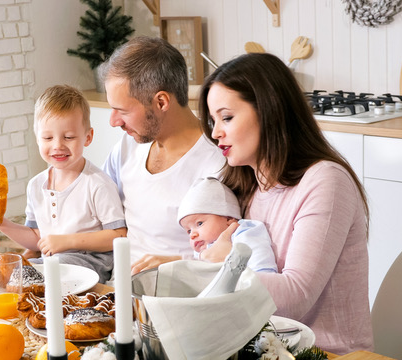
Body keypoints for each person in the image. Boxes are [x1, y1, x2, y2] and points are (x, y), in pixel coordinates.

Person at [198, 52, 372, 354]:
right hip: (263, 346)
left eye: (227, 118)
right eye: (213, 121)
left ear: (269, 111)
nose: (215, 133)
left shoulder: (325, 181)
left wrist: (226, 266)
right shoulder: (245, 183)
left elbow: (296, 296)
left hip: (325, 352)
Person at [98, 36, 226, 273]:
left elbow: (230, 253)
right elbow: (97, 209)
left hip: (177, 295)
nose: (113, 121)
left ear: (161, 102)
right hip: (118, 290)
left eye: (121, 110)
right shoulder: (127, 146)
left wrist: (178, 264)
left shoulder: (216, 164)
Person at [0, 85, 127, 283]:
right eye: (48, 137)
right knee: (2, 267)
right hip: (52, 263)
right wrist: (1, 222)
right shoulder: (36, 185)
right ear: (38, 139)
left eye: (69, 137)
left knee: (47, 270)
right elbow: (37, 239)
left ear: (88, 137)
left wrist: (66, 241)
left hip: (89, 263)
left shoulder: (97, 184)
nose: (57, 145)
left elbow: (119, 235)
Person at [177, 176, 277, 273]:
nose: (192, 235)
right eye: (189, 231)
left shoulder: (243, 232)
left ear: (228, 219)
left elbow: (260, 263)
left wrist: (261, 278)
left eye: (199, 223)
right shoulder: (200, 253)